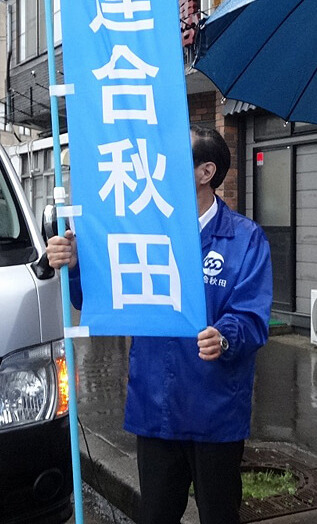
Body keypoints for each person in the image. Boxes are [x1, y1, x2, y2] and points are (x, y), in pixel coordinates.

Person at [47, 126, 273, 524]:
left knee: (220, 514)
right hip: (157, 407)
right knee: (154, 515)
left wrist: (226, 335)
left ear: (206, 172)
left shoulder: (244, 239)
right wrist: (79, 263)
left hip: (215, 410)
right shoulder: (145, 232)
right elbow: (98, 299)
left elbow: (253, 316)